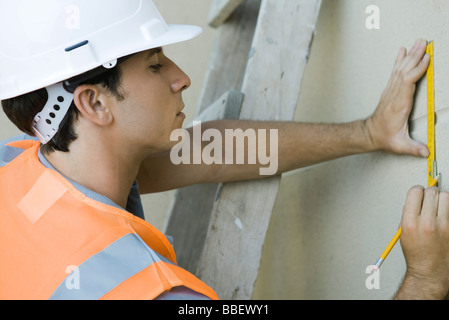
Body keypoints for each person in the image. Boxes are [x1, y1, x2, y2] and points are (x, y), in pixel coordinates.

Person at [0, 1, 443, 299]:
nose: (180, 77)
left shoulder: (17, 164)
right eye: (155, 64)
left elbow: (212, 152)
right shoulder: (152, 291)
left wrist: (368, 131)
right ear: (93, 103)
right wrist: (426, 278)